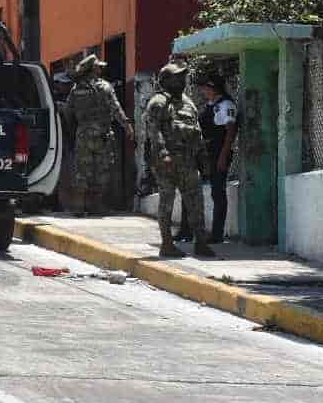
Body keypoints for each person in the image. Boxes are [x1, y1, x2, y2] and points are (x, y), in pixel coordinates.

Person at [144, 62, 214, 259]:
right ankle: (167, 243)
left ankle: (201, 242)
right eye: (177, 77)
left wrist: (203, 158)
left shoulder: (188, 103)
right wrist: (163, 153)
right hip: (167, 163)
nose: (182, 80)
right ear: (165, 81)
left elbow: (197, 131)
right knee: (167, 202)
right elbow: (153, 131)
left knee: (196, 202)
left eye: (183, 76)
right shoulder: (158, 102)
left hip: (188, 162)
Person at [62, 54, 134, 217]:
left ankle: (79, 206)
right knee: (102, 170)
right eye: (98, 66)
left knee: (82, 170)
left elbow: (68, 112)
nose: (101, 69)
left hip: (83, 134)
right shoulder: (104, 87)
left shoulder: (76, 89)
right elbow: (116, 109)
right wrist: (127, 126)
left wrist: (77, 128)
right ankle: (96, 206)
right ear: (93, 69)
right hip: (102, 134)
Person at [197, 73, 239, 244]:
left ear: (214, 88)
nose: (203, 90)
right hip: (206, 153)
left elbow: (230, 132)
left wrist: (223, 156)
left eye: (206, 87)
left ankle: (217, 234)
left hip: (218, 153)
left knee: (218, 192)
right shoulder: (210, 105)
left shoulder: (226, 105)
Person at [49, 70, 78, 211]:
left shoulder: (68, 99)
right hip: (57, 142)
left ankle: (59, 202)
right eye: (63, 84)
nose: (66, 87)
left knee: (65, 174)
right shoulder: (53, 101)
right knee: (58, 173)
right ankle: (54, 203)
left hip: (65, 141)